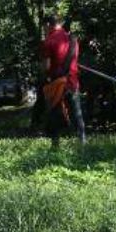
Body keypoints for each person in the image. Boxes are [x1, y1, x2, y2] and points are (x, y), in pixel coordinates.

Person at [40, 14, 87, 148]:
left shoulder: (48, 41)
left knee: (54, 114)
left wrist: (42, 69)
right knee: (76, 113)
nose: (44, 29)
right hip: (72, 81)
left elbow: (46, 67)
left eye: (44, 26)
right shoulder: (72, 39)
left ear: (48, 24)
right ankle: (83, 143)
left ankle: (55, 145)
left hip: (56, 83)